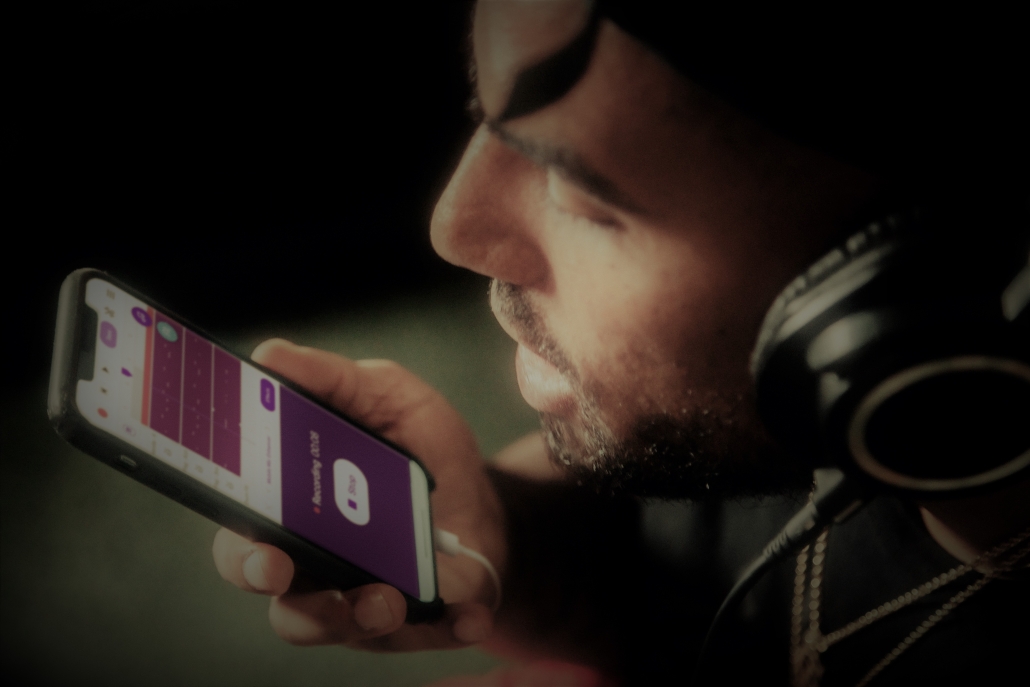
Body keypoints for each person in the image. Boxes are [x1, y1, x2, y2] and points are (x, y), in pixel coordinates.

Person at [211, 2, 1029, 684]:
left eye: (576, 186)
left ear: (911, 284)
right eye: (484, 115)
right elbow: (670, 568)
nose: (454, 228)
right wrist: (503, 534)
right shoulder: (783, 423)